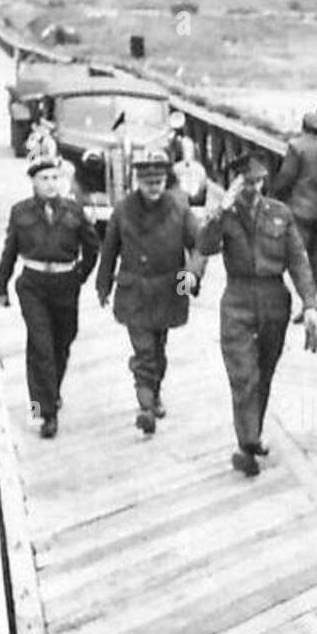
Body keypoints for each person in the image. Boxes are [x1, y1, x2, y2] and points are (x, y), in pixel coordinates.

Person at [198, 151, 317, 476]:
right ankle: (248, 440)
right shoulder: (224, 214)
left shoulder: (280, 213)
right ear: (235, 183)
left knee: (263, 373)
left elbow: (298, 260)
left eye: (258, 182)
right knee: (243, 375)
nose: (253, 188)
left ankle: (253, 433)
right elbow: (205, 246)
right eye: (246, 183)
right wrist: (221, 210)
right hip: (238, 297)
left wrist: (310, 303)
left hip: (274, 299)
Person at [95, 150, 203, 435]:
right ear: (137, 182)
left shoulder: (179, 208)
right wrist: (103, 284)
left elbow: (199, 246)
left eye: (158, 182)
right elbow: (109, 250)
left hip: (169, 288)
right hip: (135, 290)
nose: (153, 188)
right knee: (144, 352)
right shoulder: (123, 210)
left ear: (165, 181)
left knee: (158, 350)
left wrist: (191, 273)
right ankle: (145, 407)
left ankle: (154, 394)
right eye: (147, 183)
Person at [0, 157, 100, 439]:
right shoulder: (20, 212)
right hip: (33, 285)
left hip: (66, 284)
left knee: (62, 343)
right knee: (41, 345)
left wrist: (80, 276)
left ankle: (50, 392)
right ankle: (46, 411)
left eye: (55, 178)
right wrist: (1, 286)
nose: (51, 184)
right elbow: (10, 251)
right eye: (44, 179)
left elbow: (92, 248)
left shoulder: (74, 211)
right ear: (33, 182)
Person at [272, 112, 317, 273]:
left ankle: (301, 291)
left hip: (300, 207)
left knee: (298, 254)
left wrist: (276, 196)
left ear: (303, 127)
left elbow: (287, 177)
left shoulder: (296, 146)